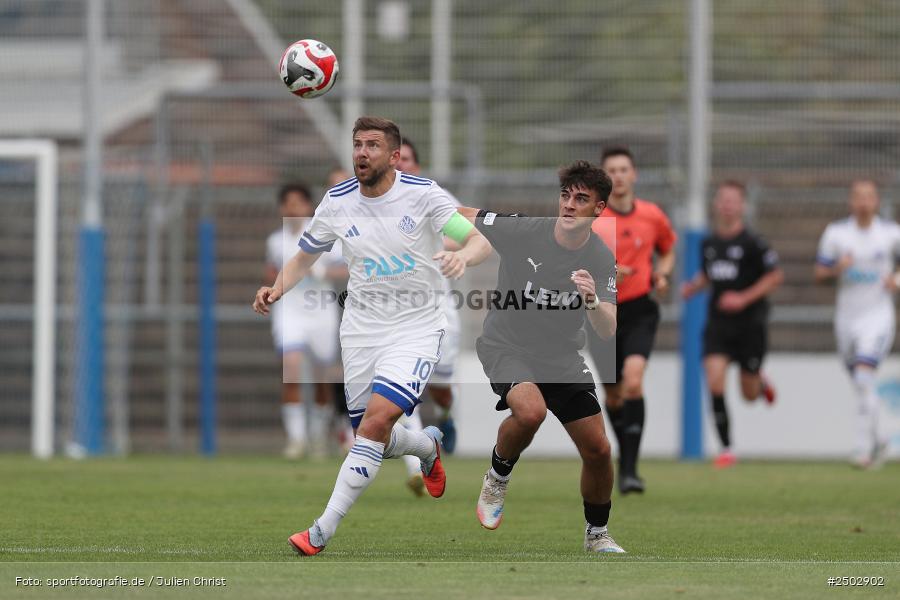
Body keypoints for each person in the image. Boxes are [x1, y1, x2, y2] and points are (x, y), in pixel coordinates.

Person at [253, 116, 491, 555]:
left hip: (418, 326)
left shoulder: (422, 196)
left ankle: (321, 529)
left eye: (373, 146)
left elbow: (477, 239)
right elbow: (306, 256)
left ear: (395, 156)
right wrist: (277, 288)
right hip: (361, 328)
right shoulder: (337, 201)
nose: (362, 153)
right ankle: (425, 445)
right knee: (371, 432)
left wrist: (465, 259)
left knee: (377, 423)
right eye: (358, 144)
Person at [457, 160, 626, 554]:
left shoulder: (601, 258)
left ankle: (596, 535)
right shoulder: (524, 230)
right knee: (530, 412)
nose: (569, 205)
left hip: (562, 358)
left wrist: (591, 303)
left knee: (599, 450)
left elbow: (607, 328)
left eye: (581, 199)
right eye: (566, 195)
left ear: (599, 209)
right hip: (508, 346)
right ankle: (498, 475)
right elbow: (462, 213)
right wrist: (417, 207)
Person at [587, 146, 676, 494]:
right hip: (601, 314)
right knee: (613, 396)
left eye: (624, 169)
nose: (619, 176)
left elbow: (667, 249)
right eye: (612, 170)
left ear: (634, 174)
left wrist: (662, 274)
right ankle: (623, 456)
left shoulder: (653, 215)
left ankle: (630, 469)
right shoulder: (593, 220)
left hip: (639, 309)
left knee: (633, 382)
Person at [681, 181, 783, 468]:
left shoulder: (754, 243)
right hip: (719, 325)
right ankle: (726, 448)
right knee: (714, 380)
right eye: (722, 199)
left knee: (748, 395)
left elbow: (775, 277)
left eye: (732, 200)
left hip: (751, 324)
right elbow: (709, 275)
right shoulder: (709, 243)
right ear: (716, 205)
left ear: (743, 206)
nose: (727, 205)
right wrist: (694, 287)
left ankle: (759, 382)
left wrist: (743, 298)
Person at [814, 179, 900, 469]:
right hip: (846, 318)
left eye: (869, 196)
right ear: (850, 201)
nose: (863, 202)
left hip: (878, 317)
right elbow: (819, 273)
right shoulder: (836, 233)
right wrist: (838, 268)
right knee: (861, 384)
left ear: (877, 201)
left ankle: (862, 451)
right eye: (858, 197)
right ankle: (880, 441)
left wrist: (897, 280)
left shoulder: (890, 233)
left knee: (864, 378)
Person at [265, 183, 345, 458]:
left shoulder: (324, 232)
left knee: (323, 377)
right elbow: (273, 270)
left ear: (309, 206)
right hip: (290, 311)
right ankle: (296, 439)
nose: (293, 208)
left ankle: (318, 435)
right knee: (292, 368)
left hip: (321, 311)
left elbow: (348, 267)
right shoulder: (275, 241)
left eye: (299, 202)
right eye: (287, 203)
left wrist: (323, 271)